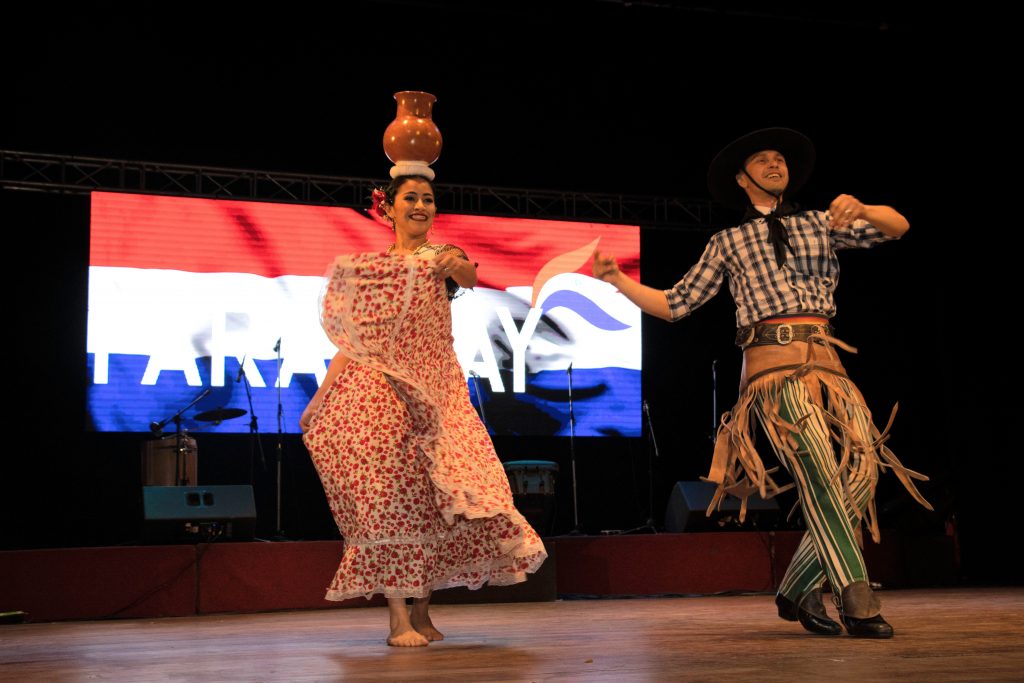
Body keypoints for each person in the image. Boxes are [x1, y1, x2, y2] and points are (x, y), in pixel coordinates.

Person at [592, 128, 930, 638]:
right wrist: (618, 282)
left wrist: (860, 208)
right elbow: (675, 304)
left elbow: (898, 226)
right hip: (773, 375)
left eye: (780, 160)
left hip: (831, 372)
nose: (775, 165)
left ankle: (796, 587)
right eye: (763, 160)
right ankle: (856, 597)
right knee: (817, 466)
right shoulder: (727, 242)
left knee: (861, 477)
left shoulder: (822, 223)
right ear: (741, 178)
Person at [301, 175, 547, 647]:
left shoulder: (439, 256)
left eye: (428, 199)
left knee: (440, 499)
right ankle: (398, 619)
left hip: (436, 391)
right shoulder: (375, 271)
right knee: (390, 501)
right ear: (388, 209)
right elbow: (355, 344)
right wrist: (319, 400)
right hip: (380, 393)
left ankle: (424, 611)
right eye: (410, 198)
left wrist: (455, 264)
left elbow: (469, 277)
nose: (420, 205)